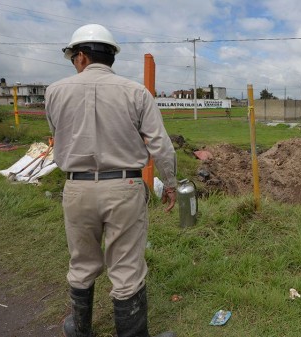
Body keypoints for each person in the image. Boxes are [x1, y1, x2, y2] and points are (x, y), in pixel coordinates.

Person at [45, 24, 177, 337]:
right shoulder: (135, 92)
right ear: (111, 57)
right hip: (124, 187)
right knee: (127, 266)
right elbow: (161, 145)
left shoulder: (54, 92)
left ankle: (79, 329)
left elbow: (56, 134)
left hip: (76, 188)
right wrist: (169, 183)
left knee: (81, 263)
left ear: (80, 57)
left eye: (73, 58)